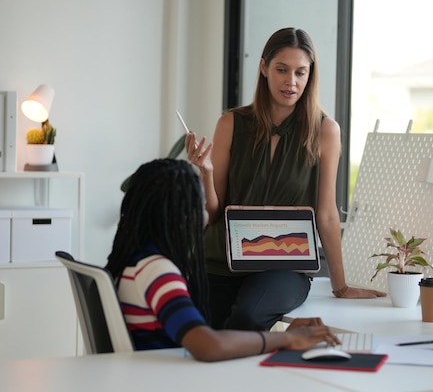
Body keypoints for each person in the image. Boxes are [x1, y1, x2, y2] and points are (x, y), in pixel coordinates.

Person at [185, 27, 385, 332]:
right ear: (264, 68)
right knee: (193, 331)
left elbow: (327, 213)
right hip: (221, 260)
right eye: (281, 70)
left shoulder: (325, 131)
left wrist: (340, 285)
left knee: (247, 319)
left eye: (300, 72)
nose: (291, 81)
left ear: (310, 76)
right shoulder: (231, 124)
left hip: (285, 267)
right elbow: (213, 212)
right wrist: (206, 172)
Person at [105, 158, 339, 362]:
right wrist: (287, 338)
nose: (207, 217)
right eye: (201, 206)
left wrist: (281, 337)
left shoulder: (135, 262)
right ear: (182, 216)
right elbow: (208, 345)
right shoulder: (157, 272)